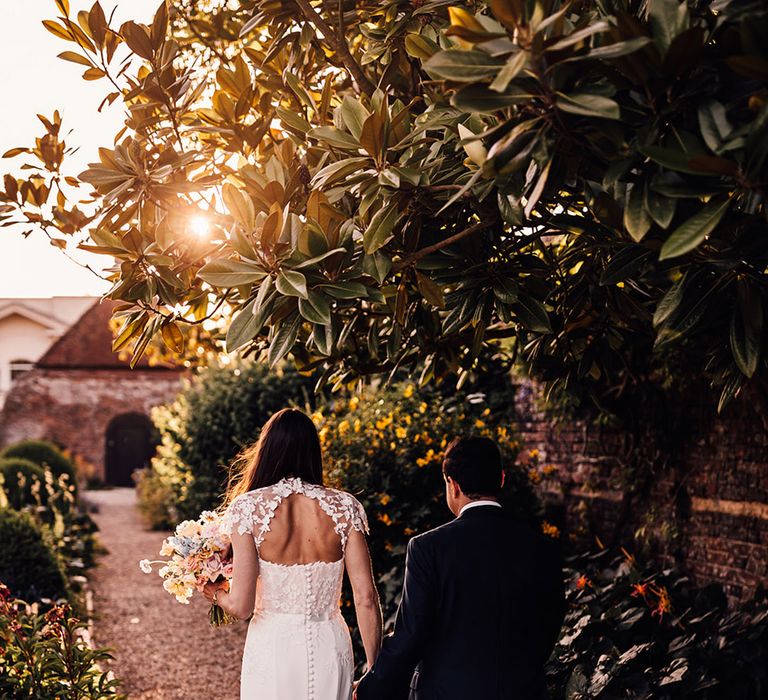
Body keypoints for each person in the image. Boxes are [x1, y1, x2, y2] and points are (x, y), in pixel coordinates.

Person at [355, 436, 566, 700]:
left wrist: (370, 688)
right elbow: (551, 618)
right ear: (501, 479)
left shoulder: (428, 548)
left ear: (453, 485)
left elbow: (411, 635)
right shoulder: (543, 548)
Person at [203, 408, 382, 700]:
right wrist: (375, 669)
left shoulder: (248, 508)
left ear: (267, 451)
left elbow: (241, 606)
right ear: (313, 451)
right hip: (330, 643)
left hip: (272, 647)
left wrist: (213, 592)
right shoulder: (346, 507)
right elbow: (366, 598)